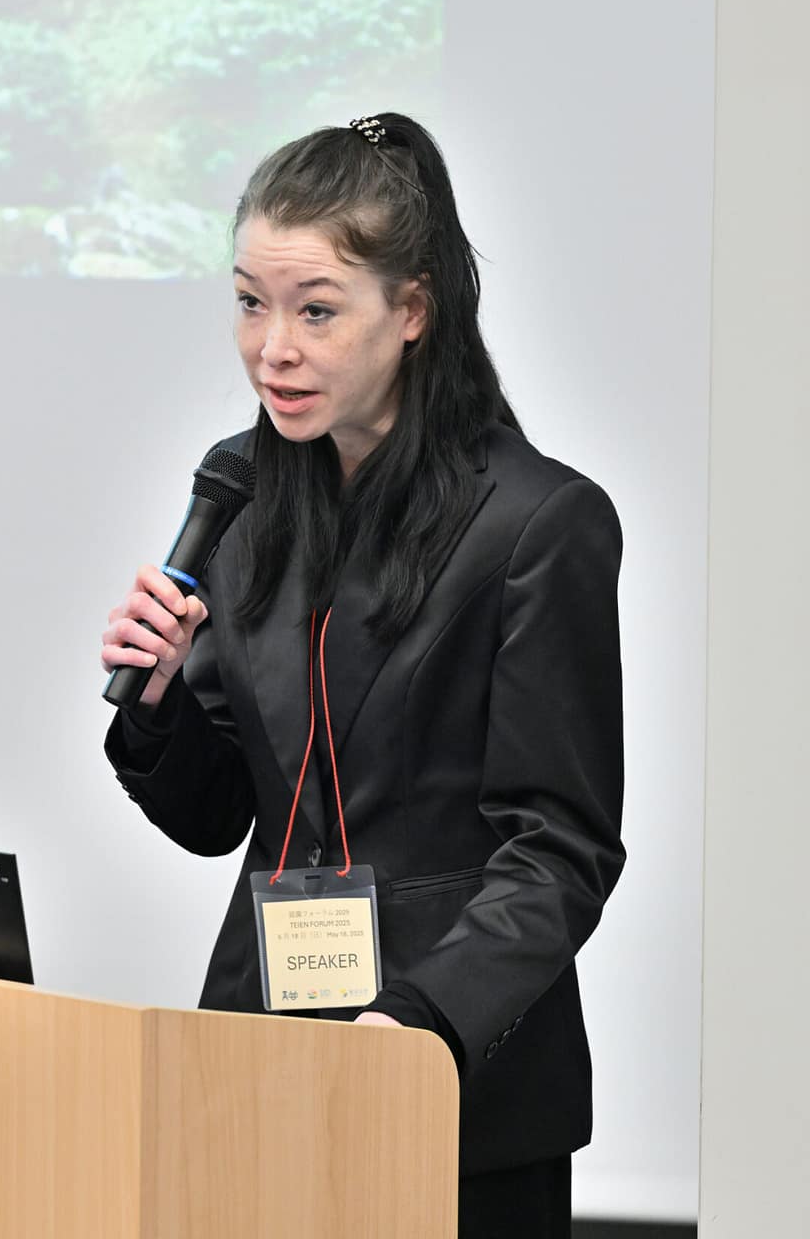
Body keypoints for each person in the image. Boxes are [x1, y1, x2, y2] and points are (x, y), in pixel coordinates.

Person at [99, 112, 624, 1238]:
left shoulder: (539, 524)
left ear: (415, 311)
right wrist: (155, 705)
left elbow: (560, 848)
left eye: (316, 309)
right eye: (250, 301)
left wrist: (420, 1021)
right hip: (259, 1051)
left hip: (452, 1087)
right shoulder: (245, 499)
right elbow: (223, 810)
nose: (272, 347)